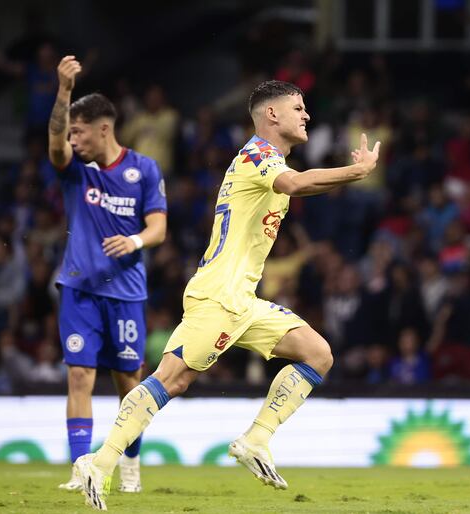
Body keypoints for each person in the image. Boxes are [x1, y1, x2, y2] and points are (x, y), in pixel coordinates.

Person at [73, 80, 380, 510]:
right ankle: (99, 463)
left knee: (317, 353)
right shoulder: (257, 155)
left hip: (243, 299)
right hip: (219, 296)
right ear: (271, 114)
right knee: (172, 379)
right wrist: (356, 172)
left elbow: (297, 183)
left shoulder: (266, 159)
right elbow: (295, 185)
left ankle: (255, 441)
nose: (306, 115)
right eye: (299, 106)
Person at [48, 56, 168, 494]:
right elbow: (54, 146)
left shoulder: (144, 170)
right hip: (79, 288)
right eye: (70, 131)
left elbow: (158, 227)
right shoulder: (76, 171)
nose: (72, 139)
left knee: (128, 383)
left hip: (126, 292)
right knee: (79, 376)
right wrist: (63, 92)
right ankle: (81, 468)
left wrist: (135, 241)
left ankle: (130, 464)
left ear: (103, 129)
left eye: (78, 131)